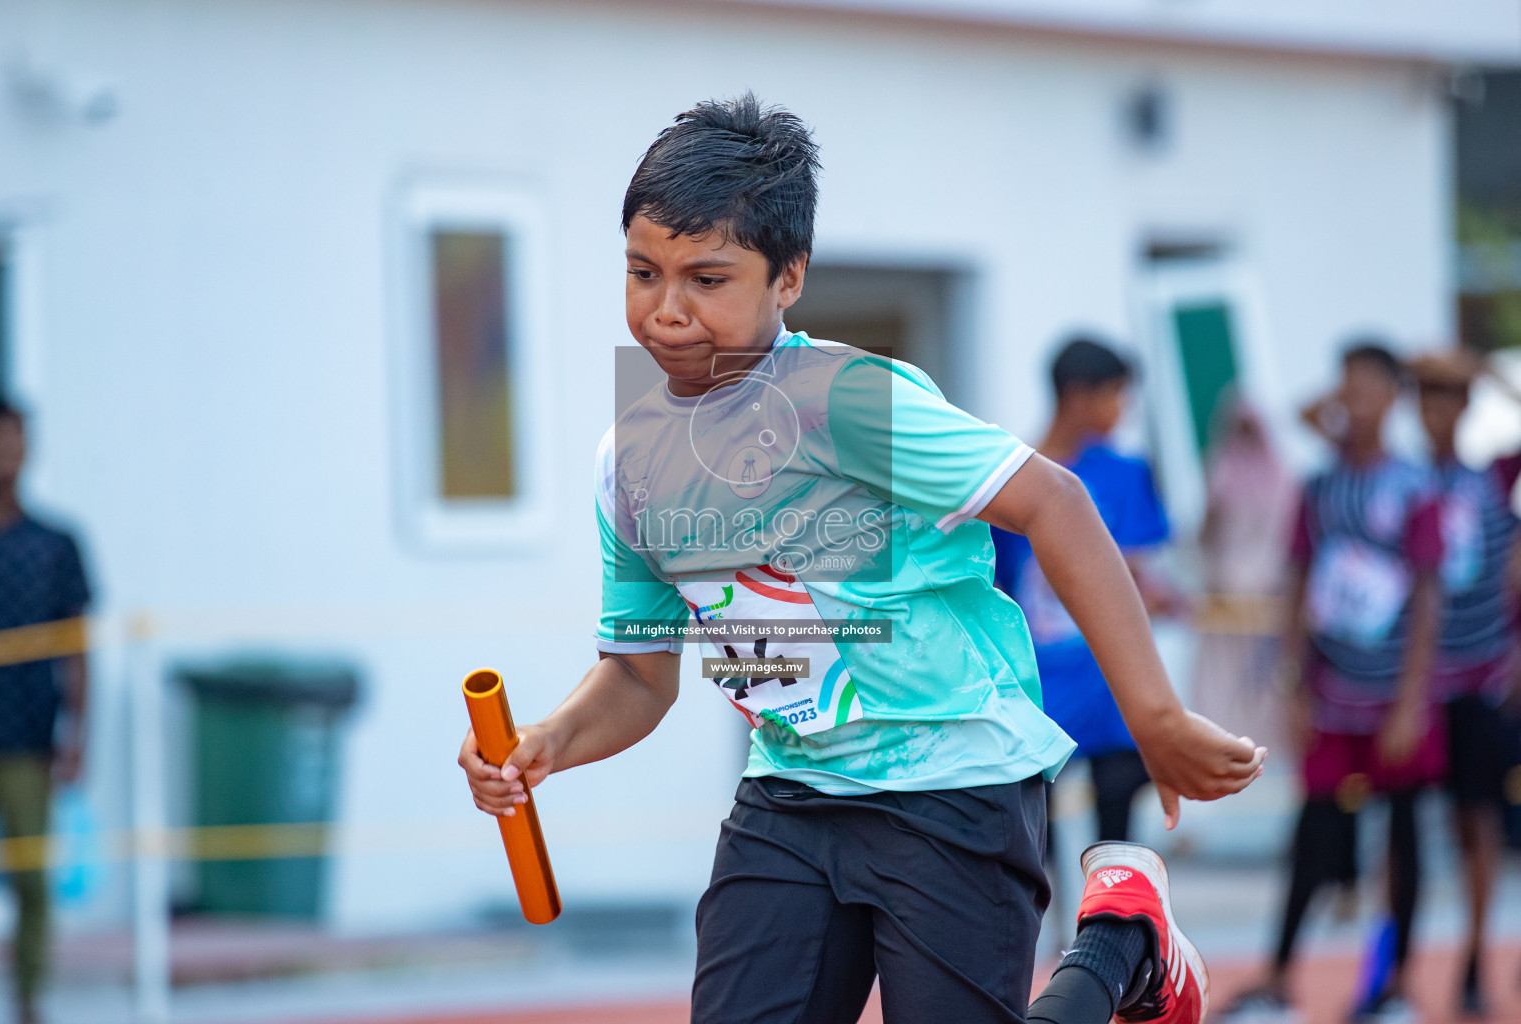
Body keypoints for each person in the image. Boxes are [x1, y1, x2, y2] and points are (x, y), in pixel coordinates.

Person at [458, 94, 1264, 1024]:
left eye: (708, 279)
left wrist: (1154, 718)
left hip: (952, 782)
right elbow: (640, 676)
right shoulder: (631, 458)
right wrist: (547, 744)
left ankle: (1128, 940)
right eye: (644, 272)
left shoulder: (846, 401)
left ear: (787, 276)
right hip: (790, 793)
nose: (667, 311)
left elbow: (1055, 501)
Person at [1220, 344, 1444, 1024]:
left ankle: (1397, 982)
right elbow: (1295, 584)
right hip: (1331, 695)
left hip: (1395, 699)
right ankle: (1280, 977)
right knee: (1314, 833)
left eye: (1372, 388)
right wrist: (1292, 682)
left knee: (1403, 836)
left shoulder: (1414, 488)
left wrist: (1411, 699)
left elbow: (1430, 596)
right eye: (1348, 387)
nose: (1355, 400)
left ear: (1395, 395)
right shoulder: (1319, 486)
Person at [990, 337, 1183, 845]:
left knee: (1116, 832)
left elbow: (1137, 571)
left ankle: (1108, 924)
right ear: (1078, 395)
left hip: (1111, 681)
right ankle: (1048, 930)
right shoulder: (1008, 475)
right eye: (1116, 394)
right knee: (1036, 835)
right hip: (1038, 683)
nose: (1124, 409)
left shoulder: (1124, 473)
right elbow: (997, 584)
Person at [1407, 350, 1520, 1018]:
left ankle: (1476, 956)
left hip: (1482, 679)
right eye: (1426, 400)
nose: (1438, 413)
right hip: (1412, 689)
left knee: (1478, 825)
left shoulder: (1493, 479)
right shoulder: (1401, 480)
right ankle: (1391, 968)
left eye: (1450, 400)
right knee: (1408, 833)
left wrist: (1481, 368)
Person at [0, 398, 94, 1024]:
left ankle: (28, 1000)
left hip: (28, 735)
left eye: (15, 439)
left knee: (30, 878)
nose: (5, 450)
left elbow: (75, 647)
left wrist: (80, 731)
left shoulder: (55, 544)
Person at [1192, 394, 1298, 760]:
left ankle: (1252, 748)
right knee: (1222, 679)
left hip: (1262, 594)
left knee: (1262, 681)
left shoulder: (1269, 475)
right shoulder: (1235, 472)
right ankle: (1226, 744)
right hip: (1236, 594)